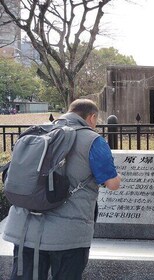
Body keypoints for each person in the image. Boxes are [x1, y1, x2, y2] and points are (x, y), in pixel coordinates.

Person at [2, 99, 121, 280]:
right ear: (92, 117)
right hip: (69, 234)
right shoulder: (93, 140)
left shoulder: (37, 132)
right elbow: (112, 184)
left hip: (25, 228)